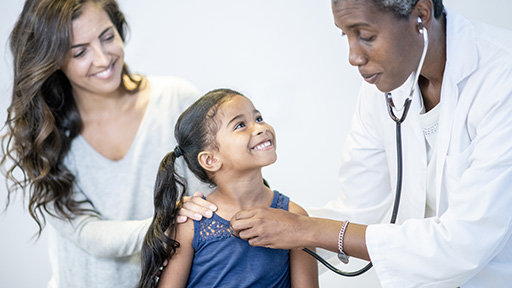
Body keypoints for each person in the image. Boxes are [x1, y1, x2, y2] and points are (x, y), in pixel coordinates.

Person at [182, 0, 512, 287]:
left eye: (366, 36)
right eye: (346, 35)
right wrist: (236, 218)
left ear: (421, 15)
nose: (353, 56)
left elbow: (465, 242)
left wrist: (301, 228)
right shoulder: (383, 88)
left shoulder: (502, 75)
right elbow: (358, 208)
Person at [0, 0, 210, 287]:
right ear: (52, 61)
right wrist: (167, 224)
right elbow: (85, 231)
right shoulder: (43, 135)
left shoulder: (177, 100)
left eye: (108, 37)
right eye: (80, 52)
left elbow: (222, 193)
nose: (102, 58)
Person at [137, 89, 319, 288]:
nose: (260, 128)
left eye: (258, 118)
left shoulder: (295, 217)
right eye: (241, 125)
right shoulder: (190, 224)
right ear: (210, 159)